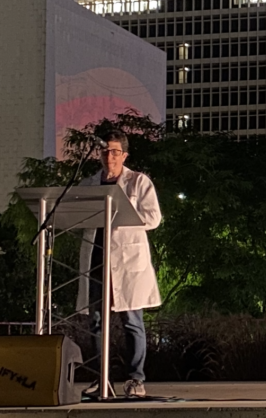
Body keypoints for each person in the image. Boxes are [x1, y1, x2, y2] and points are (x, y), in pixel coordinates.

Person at [76, 129, 162, 398]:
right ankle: (101, 380)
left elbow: (153, 218)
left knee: (131, 322)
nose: (108, 156)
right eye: (104, 151)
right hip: (96, 259)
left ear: (124, 155)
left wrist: (123, 212)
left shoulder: (138, 182)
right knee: (97, 323)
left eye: (114, 151)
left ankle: (136, 379)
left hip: (127, 261)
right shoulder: (88, 184)